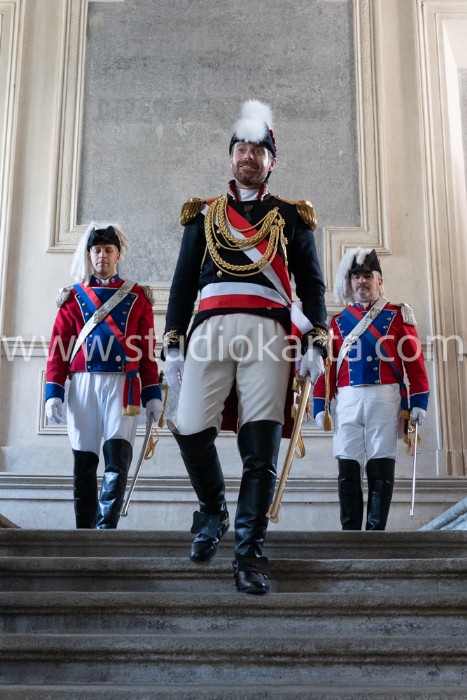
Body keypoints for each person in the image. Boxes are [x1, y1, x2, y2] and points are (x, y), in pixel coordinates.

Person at [163, 100, 328, 594]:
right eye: (241, 148)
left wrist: (316, 340)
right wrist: (173, 344)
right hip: (210, 327)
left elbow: (311, 285)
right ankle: (213, 510)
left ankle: (249, 551)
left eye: (258, 149)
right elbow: (182, 285)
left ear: (271, 160)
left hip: (269, 334)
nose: (248, 156)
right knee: (190, 426)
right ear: (231, 156)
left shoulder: (292, 217)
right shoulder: (204, 215)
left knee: (261, 446)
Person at [45, 223, 163, 529]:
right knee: (84, 461)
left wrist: (152, 393)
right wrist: (53, 392)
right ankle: (84, 532)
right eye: (97, 250)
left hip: (124, 386)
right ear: (89, 255)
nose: (102, 256)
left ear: (118, 254)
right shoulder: (73, 297)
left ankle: (106, 531)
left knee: (117, 461)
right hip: (83, 382)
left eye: (108, 250)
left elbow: (147, 349)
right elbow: (58, 348)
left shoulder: (137, 296)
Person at [313, 248, 429, 531]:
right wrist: (320, 403)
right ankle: (350, 532)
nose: (361, 281)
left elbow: (414, 362)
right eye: (356, 276)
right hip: (347, 399)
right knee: (347, 464)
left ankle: (376, 533)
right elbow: (326, 367)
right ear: (350, 282)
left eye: (367, 275)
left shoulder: (397, 315)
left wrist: (419, 400)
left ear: (379, 280)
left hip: (385, 397)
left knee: (381, 462)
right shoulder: (338, 322)